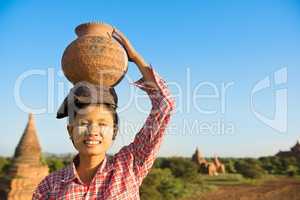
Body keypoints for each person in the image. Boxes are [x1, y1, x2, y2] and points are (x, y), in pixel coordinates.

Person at [32, 28, 175, 199]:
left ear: (114, 130)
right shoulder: (49, 186)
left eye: (102, 124)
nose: (93, 131)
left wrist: (135, 57)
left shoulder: (130, 165)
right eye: (84, 123)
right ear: (70, 131)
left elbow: (164, 104)